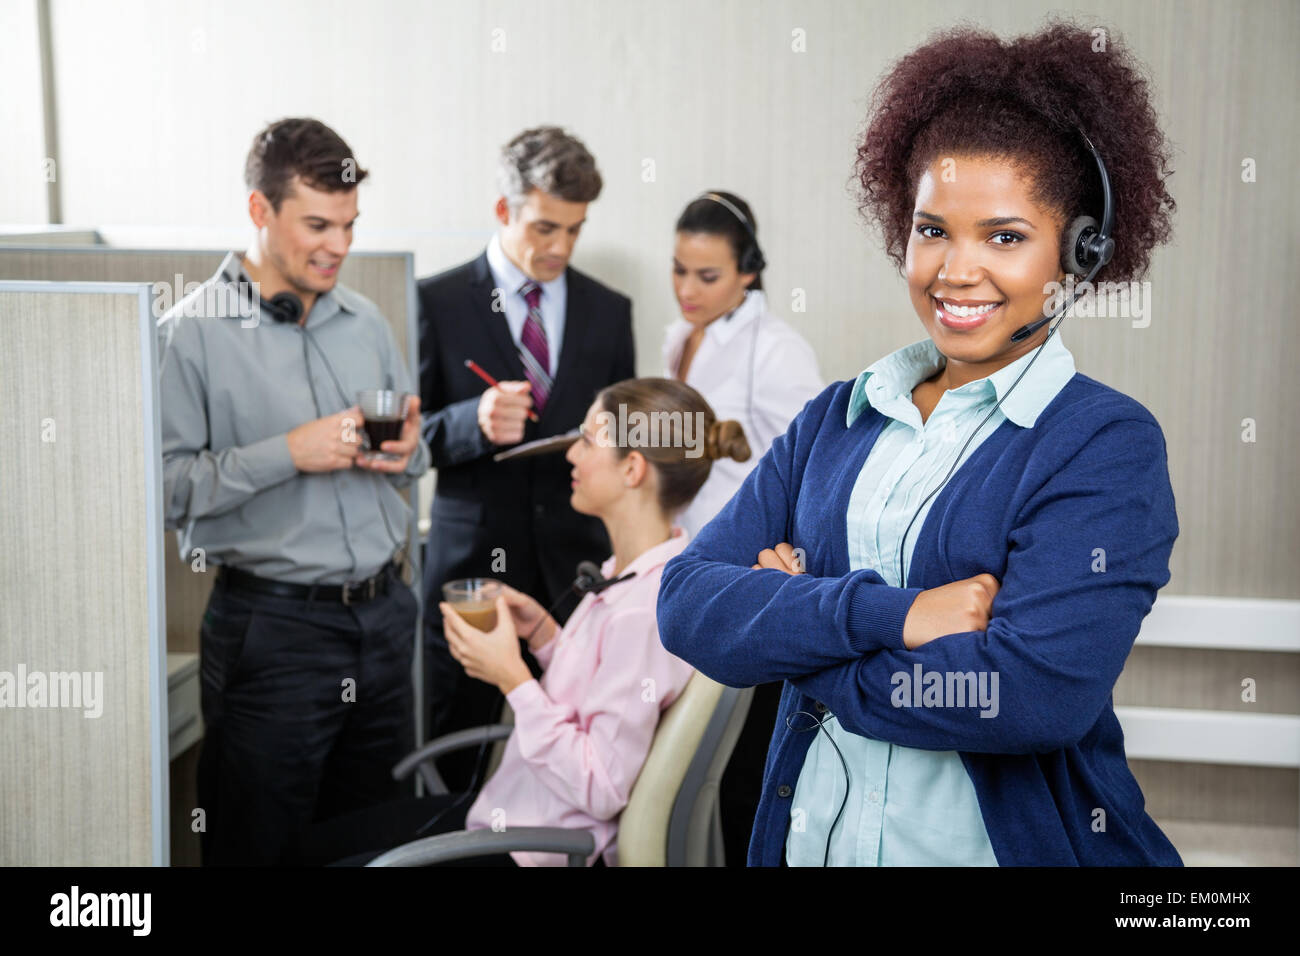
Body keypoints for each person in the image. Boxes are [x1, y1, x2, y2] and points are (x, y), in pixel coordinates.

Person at [657, 21, 1182, 866]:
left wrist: (801, 652)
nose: (956, 269)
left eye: (1005, 237)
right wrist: (899, 617)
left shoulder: (1103, 444)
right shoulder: (836, 419)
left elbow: (1023, 696)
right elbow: (685, 604)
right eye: (932, 229)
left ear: (1076, 255)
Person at [288, 378, 750, 866]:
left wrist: (513, 677)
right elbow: (603, 687)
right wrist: (545, 636)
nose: (571, 456)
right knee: (314, 848)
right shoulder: (627, 576)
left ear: (632, 469)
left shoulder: (644, 609)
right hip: (510, 816)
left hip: (534, 849)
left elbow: (600, 786)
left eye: (588, 441)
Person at [158, 117, 430, 866]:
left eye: (348, 225)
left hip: (383, 619)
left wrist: (410, 452)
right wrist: (289, 454)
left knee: (379, 841)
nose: (338, 246)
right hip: (273, 634)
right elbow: (165, 492)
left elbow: (412, 452)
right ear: (259, 211)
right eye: (317, 224)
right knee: (260, 845)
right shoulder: (188, 336)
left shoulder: (367, 320)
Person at [417, 126, 635, 790]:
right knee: (452, 767)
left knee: (575, 768)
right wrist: (469, 422)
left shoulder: (608, 310)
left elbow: (622, 435)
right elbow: (402, 440)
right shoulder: (435, 301)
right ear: (503, 210)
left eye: (575, 230)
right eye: (545, 227)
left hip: (578, 578)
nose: (560, 248)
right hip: (470, 577)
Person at [664, 190, 823, 865]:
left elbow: (810, 476)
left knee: (743, 767)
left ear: (748, 272)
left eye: (708, 276)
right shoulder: (679, 338)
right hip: (690, 568)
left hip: (747, 579)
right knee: (685, 761)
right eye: (678, 270)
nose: (687, 291)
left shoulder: (778, 352)